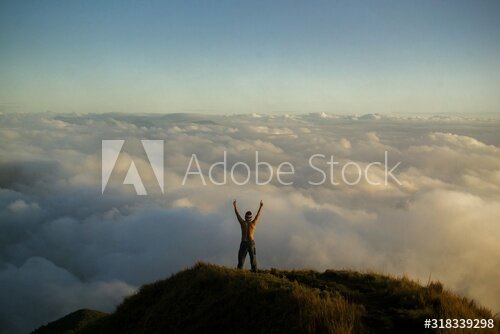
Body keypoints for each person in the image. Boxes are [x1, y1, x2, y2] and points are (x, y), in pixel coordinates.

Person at [233, 199, 263, 272]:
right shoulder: (253, 223)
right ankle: (254, 273)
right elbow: (258, 215)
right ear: (251, 217)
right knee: (253, 261)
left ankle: (239, 273)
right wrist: (261, 207)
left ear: (245, 217)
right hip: (251, 243)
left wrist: (234, 206)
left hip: (244, 243)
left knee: (241, 261)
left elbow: (237, 215)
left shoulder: (243, 223)